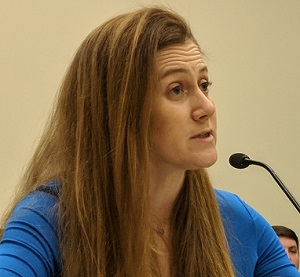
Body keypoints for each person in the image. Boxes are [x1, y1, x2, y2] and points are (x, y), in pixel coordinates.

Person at [0, 6, 299, 277]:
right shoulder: (47, 217)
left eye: (204, 85)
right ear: (119, 112)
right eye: (176, 90)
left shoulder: (236, 218)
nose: (206, 107)